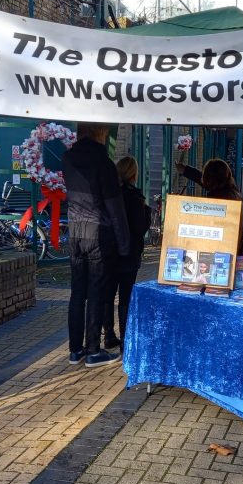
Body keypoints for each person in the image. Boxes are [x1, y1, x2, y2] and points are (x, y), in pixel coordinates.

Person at [63, 123, 130, 368]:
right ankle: (93, 350)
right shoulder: (104, 164)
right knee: (96, 293)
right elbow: (115, 208)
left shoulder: (67, 158)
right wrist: (124, 246)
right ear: (100, 131)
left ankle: (75, 349)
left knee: (76, 293)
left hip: (75, 233)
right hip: (98, 234)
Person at [102, 156, 151, 352]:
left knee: (107, 294)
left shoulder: (109, 194)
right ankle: (125, 339)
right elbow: (139, 228)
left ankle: (108, 336)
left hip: (109, 251)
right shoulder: (134, 197)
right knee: (125, 296)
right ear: (133, 174)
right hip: (129, 253)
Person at [175, 158, 243, 256]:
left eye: (206, 176)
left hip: (226, 252)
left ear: (209, 179)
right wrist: (186, 170)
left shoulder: (219, 198)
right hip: (239, 248)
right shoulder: (231, 190)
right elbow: (201, 178)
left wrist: (180, 206)